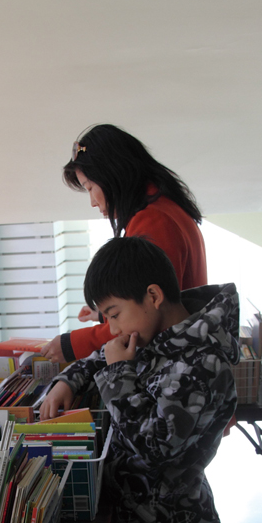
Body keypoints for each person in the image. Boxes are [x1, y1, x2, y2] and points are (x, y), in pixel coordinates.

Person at [39, 236, 239, 523]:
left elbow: (155, 448)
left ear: (153, 295)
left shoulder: (203, 362)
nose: (112, 329)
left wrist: (117, 374)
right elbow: (103, 354)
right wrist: (67, 380)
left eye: (114, 314)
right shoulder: (152, 333)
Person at [41, 123, 208, 363]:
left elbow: (151, 315)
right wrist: (106, 314)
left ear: (112, 176)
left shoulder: (153, 223)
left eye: (90, 187)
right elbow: (145, 301)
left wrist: (72, 345)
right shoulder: (164, 208)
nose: (92, 202)